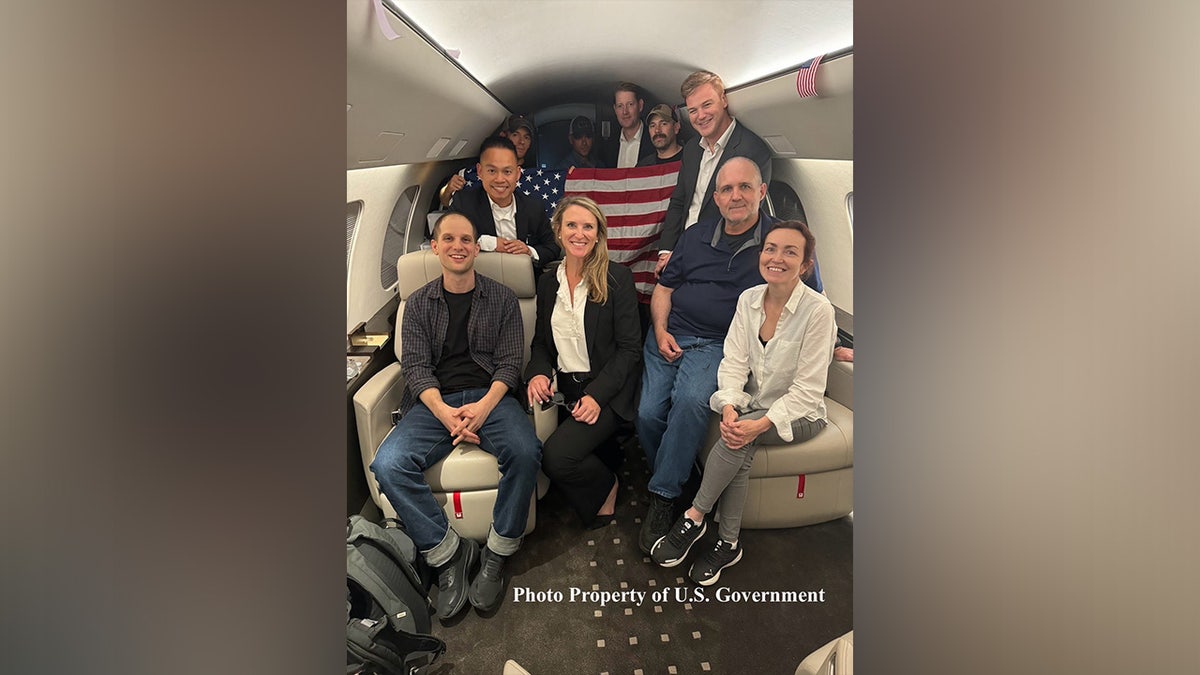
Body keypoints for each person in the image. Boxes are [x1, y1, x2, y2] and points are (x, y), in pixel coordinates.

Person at [634, 157, 821, 555]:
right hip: (670, 333)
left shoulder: (781, 243)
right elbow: (665, 288)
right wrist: (662, 330)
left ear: (761, 192)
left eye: (745, 187)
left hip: (722, 342)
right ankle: (679, 475)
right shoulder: (694, 235)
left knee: (688, 403)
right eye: (726, 189)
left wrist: (834, 343)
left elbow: (811, 300)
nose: (735, 196)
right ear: (716, 198)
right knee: (648, 414)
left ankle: (664, 497)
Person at [369, 212, 542, 619]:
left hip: (491, 397)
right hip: (434, 402)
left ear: (476, 248)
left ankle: (497, 554)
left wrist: (481, 410)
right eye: (449, 238)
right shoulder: (417, 305)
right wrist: (446, 414)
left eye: (466, 239)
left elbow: (510, 363)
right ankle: (449, 554)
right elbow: (414, 368)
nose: (458, 246)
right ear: (435, 246)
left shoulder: (501, 298)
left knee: (525, 451)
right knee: (388, 465)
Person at [649, 221, 835, 585]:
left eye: (790, 252)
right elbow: (733, 362)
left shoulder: (819, 311)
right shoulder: (748, 300)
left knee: (737, 440)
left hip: (801, 413)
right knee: (738, 440)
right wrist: (731, 406)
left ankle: (695, 516)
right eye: (770, 248)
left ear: (806, 264)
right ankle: (729, 543)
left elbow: (808, 391)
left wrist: (759, 424)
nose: (776, 258)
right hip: (752, 404)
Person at [524, 196, 642, 529]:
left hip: (608, 389)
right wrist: (536, 374)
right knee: (566, 452)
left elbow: (630, 350)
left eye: (588, 226)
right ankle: (606, 466)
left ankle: (608, 486)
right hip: (567, 390)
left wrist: (596, 396)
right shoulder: (548, 282)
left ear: (598, 233)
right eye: (572, 225)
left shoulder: (618, 278)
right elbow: (541, 344)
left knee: (556, 458)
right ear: (558, 231)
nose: (580, 233)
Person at [655, 70, 774, 275]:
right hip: (682, 251)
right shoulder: (692, 149)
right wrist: (666, 251)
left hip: (720, 258)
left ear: (723, 100)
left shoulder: (752, 150)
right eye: (693, 110)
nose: (700, 116)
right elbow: (679, 202)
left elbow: (742, 218)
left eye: (707, 105)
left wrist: (693, 254)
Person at [450, 136, 560, 273]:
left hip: (525, 284)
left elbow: (553, 247)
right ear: (480, 171)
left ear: (518, 174)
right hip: (480, 283)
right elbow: (448, 238)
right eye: (492, 171)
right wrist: (491, 243)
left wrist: (529, 251)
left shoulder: (533, 207)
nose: (500, 179)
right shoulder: (464, 203)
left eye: (507, 172)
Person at [437, 114, 536, 208]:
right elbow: (446, 202)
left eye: (526, 137)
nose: (521, 142)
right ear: (503, 135)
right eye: (515, 135)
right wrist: (448, 189)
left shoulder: (535, 176)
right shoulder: (475, 170)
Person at [599, 82, 655, 169]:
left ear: (640, 106)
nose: (625, 112)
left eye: (630, 104)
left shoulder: (654, 140)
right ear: (615, 109)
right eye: (620, 106)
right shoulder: (607, 146)